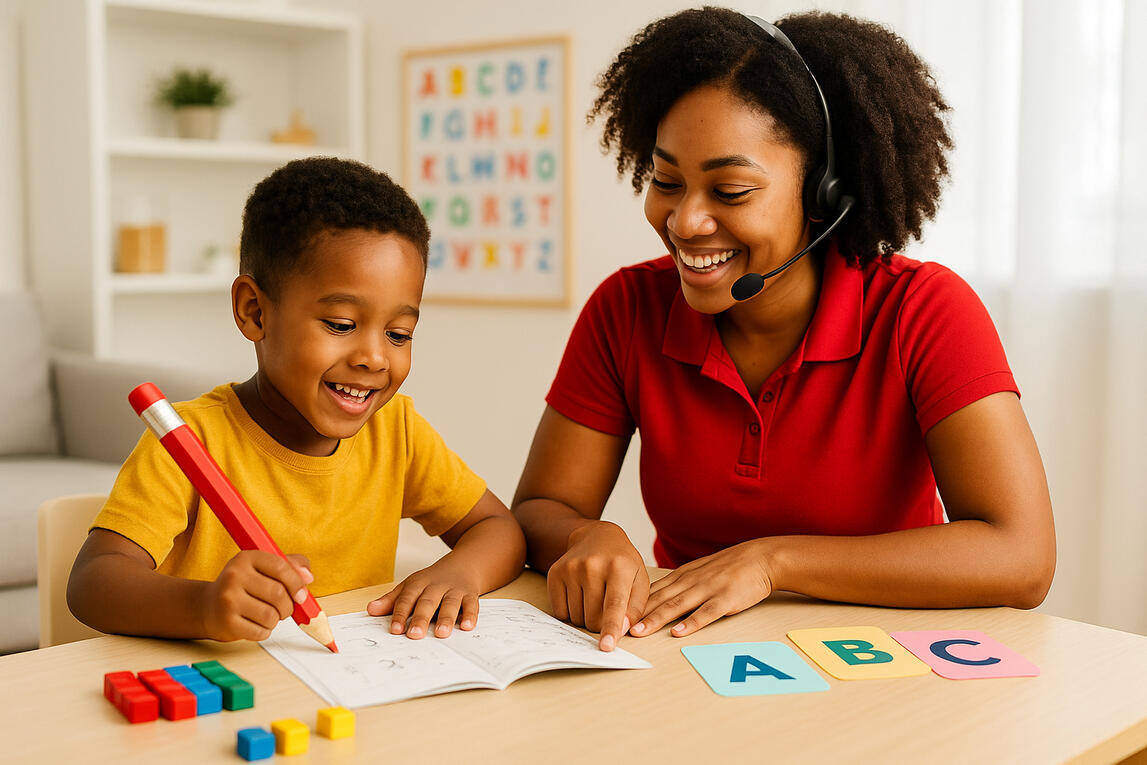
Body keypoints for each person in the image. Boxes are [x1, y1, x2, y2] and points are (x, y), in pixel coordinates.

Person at [512, 8, 1055, 652]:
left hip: (880, 662)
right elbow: (539, 510)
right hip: (686, 654)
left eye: (732, 191)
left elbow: (1021, 556)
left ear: (825, 194)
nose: (685, 221)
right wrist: (586, 536)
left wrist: (774, 563)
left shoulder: (925, 311)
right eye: (666, 181)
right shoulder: (627, 307)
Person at [69, 157, 525, 643]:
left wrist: (460, 574)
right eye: (341, 325)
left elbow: (500, 530)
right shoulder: (189, 441)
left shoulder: (397, 432)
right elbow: (93, 582)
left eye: (399, 333)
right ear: (254, 312)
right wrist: (203, 606)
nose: (374, 357)